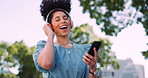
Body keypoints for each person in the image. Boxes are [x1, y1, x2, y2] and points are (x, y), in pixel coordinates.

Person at [33, 0, 99, 78]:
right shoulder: (44, 47)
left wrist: (92, 69)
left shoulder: (84, 50)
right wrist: (50, 35)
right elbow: (47, 64)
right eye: (57, 20)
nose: (63, 21)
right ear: (50, 26)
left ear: (71, 23)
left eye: (65, 18)